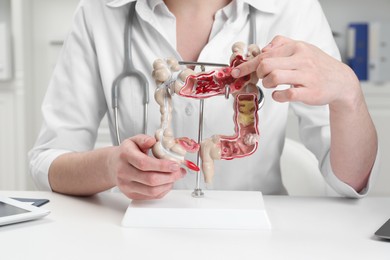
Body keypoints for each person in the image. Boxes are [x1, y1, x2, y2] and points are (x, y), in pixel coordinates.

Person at [28, 0, 379, 200]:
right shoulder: (98, 12)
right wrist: (109, 167)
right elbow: (48, 162)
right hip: (135, 236)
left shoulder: (293, 9)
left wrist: (348, 94)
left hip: (259, 242)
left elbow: (348, 180)